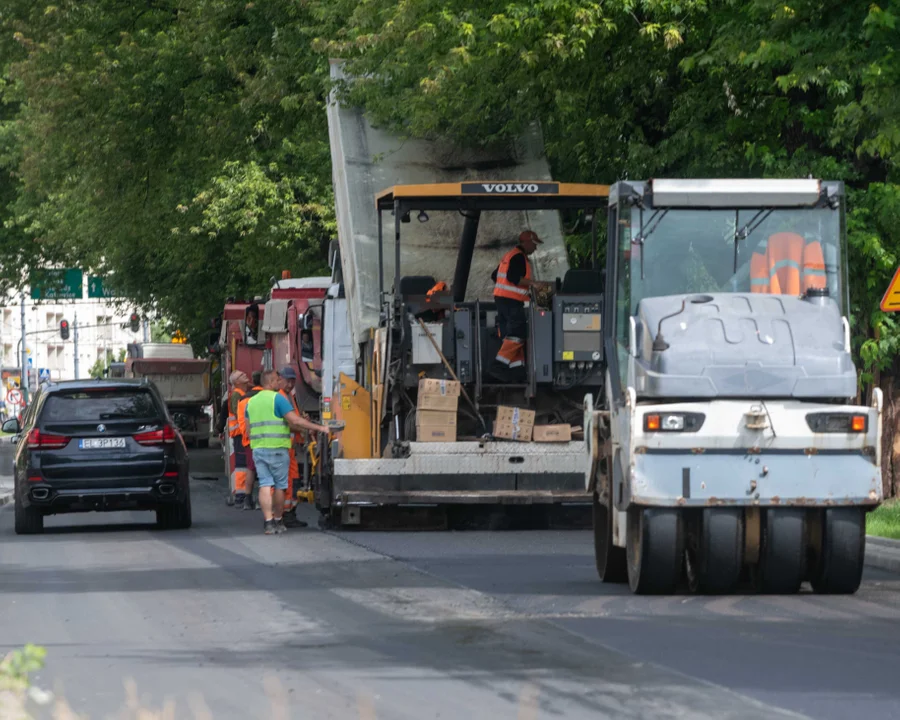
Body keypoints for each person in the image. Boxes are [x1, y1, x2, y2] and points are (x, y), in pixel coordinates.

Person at [245, 369, 332, 535]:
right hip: (278, 448)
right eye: (277, 380)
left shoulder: (251, 402)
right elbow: (295, 420)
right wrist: (320, 427)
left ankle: (268, 522)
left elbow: (248, 430)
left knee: (264, 484)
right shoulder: (277, 398)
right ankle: (278, 520)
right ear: (270, 382)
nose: (280, 382)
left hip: (258, 449)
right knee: (280, 486)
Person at [490, 230, 553, 381]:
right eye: (535, 245)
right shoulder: (519, 257)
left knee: (510, 335)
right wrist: (533, 284)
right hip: (511, 301)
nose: (536, 248)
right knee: (518, 333)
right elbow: (512, 277)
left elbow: (495, 275)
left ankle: (516, 371)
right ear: (527, 242)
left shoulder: (510, 255)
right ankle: (498, 365)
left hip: (502, 299)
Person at [277, 366, 308, 528]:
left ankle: (288, 513)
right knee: (287, 482)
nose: (290, 384)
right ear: (279, 379)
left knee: (292, 481)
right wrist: (305, 427)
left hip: (290, 448)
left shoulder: (288, 396)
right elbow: (289, 422)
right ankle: (285, 514)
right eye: (287, 381)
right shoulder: (281, 397)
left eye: (292, 381)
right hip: (285, 448)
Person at [236, 370, 264, 510]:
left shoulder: (242, 399)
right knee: (264, 470)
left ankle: (248, 500)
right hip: (264, 439)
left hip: (248, 439)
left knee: (251, 469)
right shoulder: (266, 397)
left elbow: (242, 420)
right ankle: (261, 500)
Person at [225, 371, 252, 505]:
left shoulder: (240, 394)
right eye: (242, 375)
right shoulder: (236, 394)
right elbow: (238, 414)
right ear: (237, 382)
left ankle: (242, 494)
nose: (245, 375)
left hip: (242, 433)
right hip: (240, 434)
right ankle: (240, 496)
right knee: (242, 465)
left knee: (244, 464)